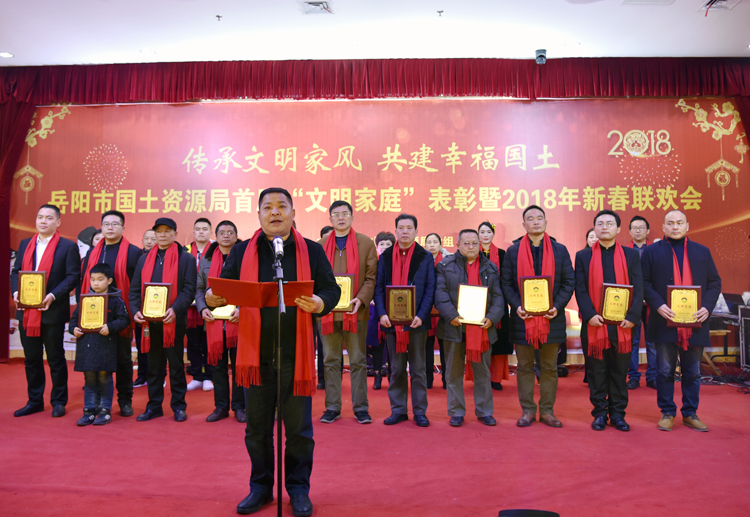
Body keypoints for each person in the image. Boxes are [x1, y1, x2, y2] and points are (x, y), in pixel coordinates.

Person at [206, 188, 340, 517]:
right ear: (258, 215)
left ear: (294, 213)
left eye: (282, 206)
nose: (275, 212)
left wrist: (320, 302)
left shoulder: (311, 250)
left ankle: (298, 489)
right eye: (268, 207)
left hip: (296, 354)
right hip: (255, 354)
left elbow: (331, 289)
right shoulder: (242, 251)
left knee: (299, 431)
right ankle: (261, 487)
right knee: (257, 430)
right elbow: (223, 286)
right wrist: (212, 296)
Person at [641, 209, 721, 432]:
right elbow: (643, 282)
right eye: (670, 223)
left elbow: (714, 282)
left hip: (695, 321)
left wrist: (707, 307)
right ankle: (667, 412)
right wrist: (658, 305)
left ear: (687, 226)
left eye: (679, 223)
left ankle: (690, 413)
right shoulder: (651, 252)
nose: (675, 227)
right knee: (665, 371)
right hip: (664, 320)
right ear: (663, 227)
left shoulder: (702, 252)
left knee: (693, 372)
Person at [501, 205, 575, 428]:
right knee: (524, 367)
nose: (535, 222)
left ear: (545, 222)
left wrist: (557, 307)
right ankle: (527, 411)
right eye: (530, 219)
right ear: (524, 224)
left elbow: (568, 282)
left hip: (552, 319)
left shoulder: (560, 250)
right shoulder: (513, 252)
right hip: (522, 319)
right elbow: (506, 283)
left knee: (549, 368)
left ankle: (547, 411)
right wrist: (517, 306)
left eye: (539, 218)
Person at [575, 210, 643, 432]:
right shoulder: (583, 256)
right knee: (596, 372)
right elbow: (580, 289)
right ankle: (600, 414)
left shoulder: (631, 256)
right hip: (594, 325)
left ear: (619, 228)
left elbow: (639, 288)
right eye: (600, 223)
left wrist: (632, 317)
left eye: (609, 223)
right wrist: (589, 315)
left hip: (622, 326)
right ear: (594, 228)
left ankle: (618, 414)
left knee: (619, 372)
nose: (604, 227)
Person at [11, 204, 80, 418]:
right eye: (40, 217)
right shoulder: (25, 244)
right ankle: (35, 401)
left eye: (49, 218)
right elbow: (16, 272)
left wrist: (52, 295)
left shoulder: (67, 246)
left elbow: (72, 277)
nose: (43, 221)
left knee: (55, 358)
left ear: (58, 222)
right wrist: (16, 292)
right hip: (27, 311)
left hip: (52, 310)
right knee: (31, 359)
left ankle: (59, 401)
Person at [129, 217, 196, 422]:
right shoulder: (144, 259)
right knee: (153, 366)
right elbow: (134, 290)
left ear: (175, 234)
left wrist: (175, 309)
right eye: (159, 231)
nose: (163, 235)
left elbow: (189, 289)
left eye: (167, 231)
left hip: (173, 321)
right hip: (149, 322)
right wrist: (135, 311)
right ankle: (154, 406)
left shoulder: (186, 259)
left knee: (176, 365)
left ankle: (179, 406)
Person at [435, 229, 504, 427]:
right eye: (466, 243)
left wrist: (492, 318)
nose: (471, 247)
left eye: (475, 243)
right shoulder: (445, 266)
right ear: (457, 245)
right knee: (453, 373)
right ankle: (456, 412)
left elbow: (498, 297)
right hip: (454, 327)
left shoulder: (490, 267)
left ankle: (485, 411)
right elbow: (440, 294)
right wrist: (451, 315)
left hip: (482, 329)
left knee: (483, 373)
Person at [318, 201, 378, 425]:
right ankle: (332, 407)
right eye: (336, 214)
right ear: (330, 219)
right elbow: (315, 278)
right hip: (328, 313)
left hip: (355, 311)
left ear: (352, 217)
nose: (341, 218)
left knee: (358, 360)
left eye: (345, 214)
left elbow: (371, 277)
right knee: (330, 360)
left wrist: (361, 299)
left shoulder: (366, 243)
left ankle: (361, 407)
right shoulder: (320, 245)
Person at [78, 210, 142, 417]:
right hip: (93, 317)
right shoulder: (92, 253)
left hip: (119, 317)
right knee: (94, 362)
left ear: (123, 227)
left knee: (123, 361)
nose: (110, 227)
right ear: (101, 227)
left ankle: (125, 401)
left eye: (115, 224)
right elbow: (84, 282)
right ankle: (96, 403)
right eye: (106, 224)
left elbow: (137, 286)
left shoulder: (133, 252)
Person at [374, 214, 436, 427]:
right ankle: (398, 410)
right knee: (396, 368)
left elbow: (430, 289)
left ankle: (420, 412)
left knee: (418, 369)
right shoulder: (385, 257)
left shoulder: (425, 257)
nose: (405, 231)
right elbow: (379, 288)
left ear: (416, 231)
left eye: (409, 228)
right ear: (396, 231)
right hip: (391, 323)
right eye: (401, 228)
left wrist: (421, 315)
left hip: (416, 322)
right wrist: (382, 313)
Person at [194, 220, 246, 423]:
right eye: (222, 232)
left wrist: (243, 309)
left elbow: (251, 287)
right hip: (214, 322)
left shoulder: (245, 257)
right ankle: (221, 407)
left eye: (230, 232)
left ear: (236, 236)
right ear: (216, 236)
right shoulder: (207, 259)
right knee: (218, 366)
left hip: (238, 321)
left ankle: (239, 406)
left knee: (239, 366)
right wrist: (202, 308)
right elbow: (199, 289)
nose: (226, 236)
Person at [70, 263, 131, 426]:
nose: (95, 283)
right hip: (87, 346)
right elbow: (74, 320)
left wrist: (110, 327)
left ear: (109, 281)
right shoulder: (85, 299)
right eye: (93, 279)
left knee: (105, 377)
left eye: (100, 279)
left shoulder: (116, 300)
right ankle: (89, 410)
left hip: (106, 347)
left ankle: (105, 410)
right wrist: (74, 329)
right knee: (89, 378)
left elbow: (124, 319)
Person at [478, 221, 512, 390]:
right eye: (482, 232)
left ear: (493, 234)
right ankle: (480, 377)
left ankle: (496, 378)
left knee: (498, 342)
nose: (485, 235)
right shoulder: (472, 253)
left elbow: (506, 279)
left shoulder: (502, 254)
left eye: (488, 232)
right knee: (479, 340)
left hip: (498, 302)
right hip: (476, 302)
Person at [625, 215, 656, 390]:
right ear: (630, 231)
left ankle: (653, 376)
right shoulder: (624, 251)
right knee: (633, 341)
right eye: (635, 228)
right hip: (632, 302)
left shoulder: (655, 250)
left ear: (648, 230)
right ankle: (634, 377)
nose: (638, 231)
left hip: (652, 303)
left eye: (641, 228)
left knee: (652, 341)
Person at [187, 217, 214, 392]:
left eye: (205, 229)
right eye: (198, 229)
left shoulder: (216, 250)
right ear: (194, 232)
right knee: (193, 342)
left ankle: (209, 376)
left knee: (208, 342)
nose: (201, 232)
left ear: (210, 232)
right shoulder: (186, 251)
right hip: (190, 306)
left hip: (209, 304)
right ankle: (197, 376)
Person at [366, 231, 395, 390]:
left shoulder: (396, 263)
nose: (384, 247)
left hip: (393, 308)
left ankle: (391, 374)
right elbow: (369, 283)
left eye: (388, 244)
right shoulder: (373, 263)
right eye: (381, 244)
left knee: (391, 343)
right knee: (376, 344)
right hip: (374, 309)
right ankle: (377, 375)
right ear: (377, 247)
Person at [133, 229, 157, 388]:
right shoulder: (138, 258)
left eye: (152, 239)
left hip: (158, 309)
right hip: (141, 309)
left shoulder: (164, 258)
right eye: (146, 238)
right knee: (141, 344)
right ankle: (142, 376)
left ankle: (157, 376)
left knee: (157, 347)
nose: (149, 241)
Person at [424, 232, 447, 389]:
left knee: (445, 348)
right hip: (426, 310)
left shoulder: (448, 260)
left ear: (440, 244)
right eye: (429, 242)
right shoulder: (422, 260)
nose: (432, 245)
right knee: (427, 347)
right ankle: (428, 379)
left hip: (444, 311)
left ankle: (446, 379)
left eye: (435, 242)